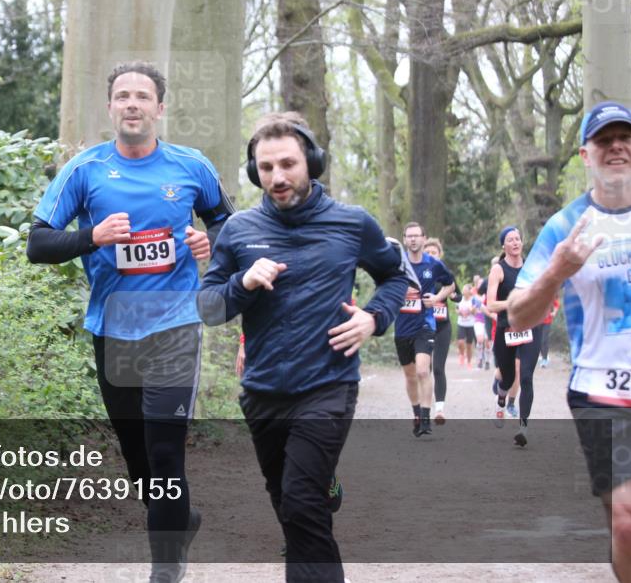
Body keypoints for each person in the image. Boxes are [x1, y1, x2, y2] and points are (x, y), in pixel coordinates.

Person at [26, 61, 234, 583]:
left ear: (160, 108)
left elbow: (229, 223)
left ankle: (165, 568)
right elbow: (37, 243)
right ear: (111, 107)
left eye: (143, 96)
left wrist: (213, 245)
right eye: (123, 96)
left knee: (165, 450)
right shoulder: (86, 170)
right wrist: (91, 238)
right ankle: (179, 518)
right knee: (140, 460)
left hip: (175, 326)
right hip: (113, 331)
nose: (133, 104)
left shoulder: (192, 167)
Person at [197, 112, 409, 583]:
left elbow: (395, 278)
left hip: (328, 382)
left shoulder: (352, 224)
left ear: (311, 163)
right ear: (255, 171)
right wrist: (242, 283)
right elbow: (209, 307)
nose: (277, 177)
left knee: (300, 502)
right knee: (290, 504)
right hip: (263, 389)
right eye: (266, 167)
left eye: (288, 164)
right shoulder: (238, 231)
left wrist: (374, 319)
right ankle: (323, 490)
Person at [507, 100, 631, 582]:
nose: (617, 146)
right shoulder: (566, 226)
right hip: (602, 392)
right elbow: (518, 313)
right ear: (586, 154)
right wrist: (557, 271)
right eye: (605, 139)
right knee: (625, 522)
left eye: (625, 137)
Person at [392, 223, 456, 436]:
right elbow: (385, 286)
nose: (413, 240)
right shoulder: (397, 265)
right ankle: (417, 413)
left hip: (425, 325)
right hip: (402, 327)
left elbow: (451, 284)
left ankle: (427, 418)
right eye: (409, 236)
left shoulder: (434, 264)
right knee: (410, 376)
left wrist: (437, 298)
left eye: (416, 236)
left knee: (422, 370)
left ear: (423, 238)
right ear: (404, 239)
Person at [486, 226, 543, 446]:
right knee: (508, 378)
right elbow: (491, 304)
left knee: (526, 376)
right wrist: (513, 302)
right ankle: (501, 398)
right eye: (510, 240)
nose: (515, 242)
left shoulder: (532, 268)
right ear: (504, 245)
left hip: (531, 327)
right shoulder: (498, 270)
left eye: (518, 238)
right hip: (506, 329)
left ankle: (523, 428)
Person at [422, 238, 460, 423]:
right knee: (424, 369)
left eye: (433, 252)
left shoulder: (446, 273)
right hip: (424, 326)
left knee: (438, 368)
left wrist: (453, 295)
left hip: (443, 326)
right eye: (427, 252)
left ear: (440, 254)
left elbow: (458, 295)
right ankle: (424, 409)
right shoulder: (419, 273)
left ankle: (440, 410)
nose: (430, 255)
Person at [456, 283, 477, 368]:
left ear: (469, 291)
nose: (463, 291)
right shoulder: (460, 299)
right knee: (460, 342)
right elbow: (456, 310)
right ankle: (461, 355)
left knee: (469, 345)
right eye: (463, 289)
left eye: (465, 289)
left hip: (470, 325)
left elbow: (475, 312)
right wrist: (460, 312)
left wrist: (471, 310)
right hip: (461, 323)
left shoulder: (473, 300)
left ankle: (469, 362)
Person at [539, 296, 560, 367]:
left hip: (547, 321)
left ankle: (544, 359)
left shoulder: (549, 295)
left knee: (544, 340)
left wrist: (554, 312)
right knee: (539, 340)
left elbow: (557, 304)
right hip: (538, 321)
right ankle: (543, 356)